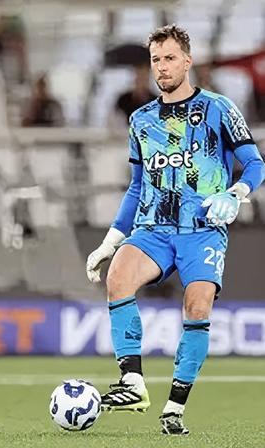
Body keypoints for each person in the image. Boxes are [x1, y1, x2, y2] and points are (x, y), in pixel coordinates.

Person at [85, 24, 264, 435]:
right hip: (153, 228)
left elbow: (256, 164)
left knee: (197, 307)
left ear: (187, 60)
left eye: (169, 59)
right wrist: (111, 239)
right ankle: (132, 382)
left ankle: (174, 409)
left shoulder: (219, 109)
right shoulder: (141, 120)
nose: (162, 68)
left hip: (202, 229)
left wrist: (235, 192)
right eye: (155, 60)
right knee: (118, 277)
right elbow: (136, 186)